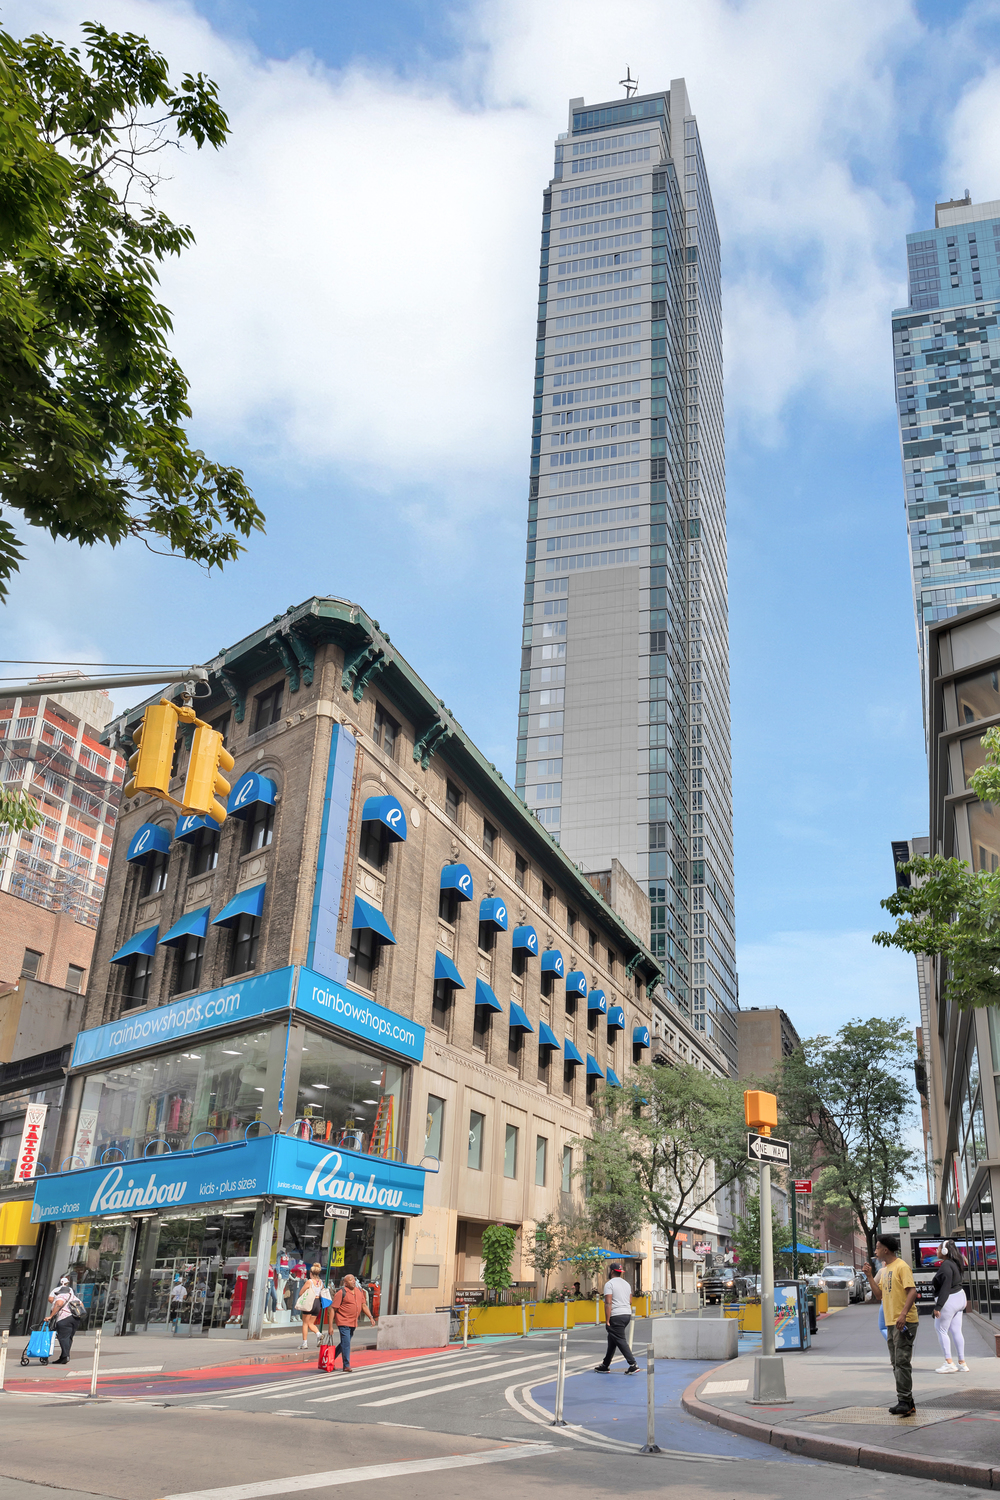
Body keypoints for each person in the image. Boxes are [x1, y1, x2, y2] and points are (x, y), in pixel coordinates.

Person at [864, 1234, 919, 1415]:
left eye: (877, 1247)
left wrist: (903, 1314)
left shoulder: (901, 1267)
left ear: (885, 1250)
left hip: (904, 1321)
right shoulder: (886, 1269)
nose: (875, 1251)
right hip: (891, 1322)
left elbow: (912, 1291)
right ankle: (907, 1401)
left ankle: (904, 1400)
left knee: (901, 1361)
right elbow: (879, 1295)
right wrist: (869, 1276)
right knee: (896, 1362)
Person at [594, 1263, 639, 1375]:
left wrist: (607, 1320)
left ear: (612, 1271)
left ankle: (633, 1364)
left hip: (616, 1315)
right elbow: (630, 1301)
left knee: (620, 1339)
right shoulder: (626, 1284)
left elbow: (608, 1303)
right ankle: (605, 1365)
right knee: (612, 1339)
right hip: (626, 1314)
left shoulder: (609, 1284)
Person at [932, 1239, 969, 1373]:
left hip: (950, 1300)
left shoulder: (946, 1265)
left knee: (941, 1329)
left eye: (938, 1249)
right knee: (956, 1331)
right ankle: (962, 1363)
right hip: (960, 1298)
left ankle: (949, 1363)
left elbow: (945, 1287)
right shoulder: (955, 1263)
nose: (936, 1251)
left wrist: (938, 1307)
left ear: (944, 1251)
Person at [327, 1273, 372, 1372]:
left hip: (353, 1322)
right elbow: (333, 1309)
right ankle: (346, 1365)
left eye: (354, 1279)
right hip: (343, 1321)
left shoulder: (359, 1291)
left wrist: (370, 1317)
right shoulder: (341, 1293)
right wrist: (330, 1327)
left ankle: (330, 1359)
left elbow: (364, 1305)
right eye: (350, 1280)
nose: (353, 1281)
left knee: (344, 1343)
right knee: (346, 1343)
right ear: (345, 1283)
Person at [296, 1263, 327, 1349]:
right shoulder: (321, 1282)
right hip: (317, 1303)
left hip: (310, 1302)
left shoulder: (309, 1282)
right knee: (311, 1323)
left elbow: (301, 1292)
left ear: (311, 1273)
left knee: (305, 1323)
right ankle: (319, 1334)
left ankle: (304, 1343)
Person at [50, 1283, 78, 1365]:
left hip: (64, 1319)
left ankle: (65, 1356)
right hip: (75, 1319)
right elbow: (81, 1306)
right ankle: (63, 1357)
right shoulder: (74, 1297)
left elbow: (59, 1304)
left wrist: (51, 1316)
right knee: (69, 1338)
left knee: (63, 1338)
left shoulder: (61, 1296)